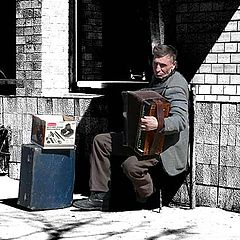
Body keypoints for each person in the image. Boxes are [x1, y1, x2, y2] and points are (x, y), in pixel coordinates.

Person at [73, 44, 189, 211]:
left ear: (173, 64)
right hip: (143, 139)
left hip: (163, 145)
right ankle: (99, 196)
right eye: (155, 64)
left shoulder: (176, 86)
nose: (158, 69)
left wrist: (158, 124)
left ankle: (148, 196)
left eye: (163, 65)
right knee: (101, 141)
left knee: (131, 166)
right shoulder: (158, 79)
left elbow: (180, 120)